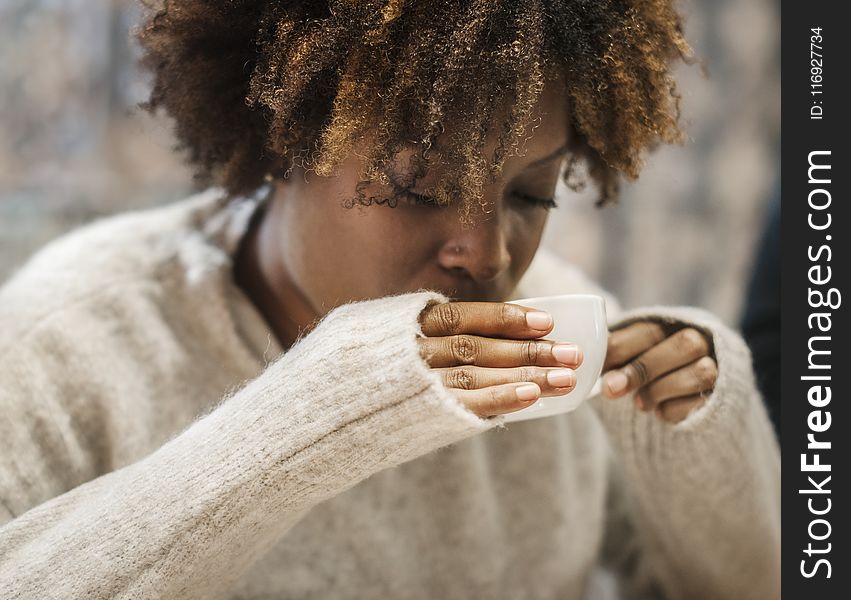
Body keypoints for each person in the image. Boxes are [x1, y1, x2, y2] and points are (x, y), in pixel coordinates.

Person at [0, 2, 779, 598]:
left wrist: (697, 447)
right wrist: (313, 418)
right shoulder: (69, 340)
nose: (488, 253)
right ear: (282, 143)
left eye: (530, 195)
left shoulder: (555, 332)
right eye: (418, 188)